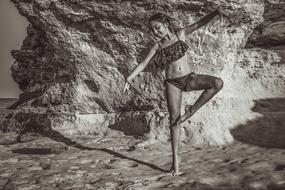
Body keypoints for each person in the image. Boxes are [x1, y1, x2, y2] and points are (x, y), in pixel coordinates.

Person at [124, 9, 225, 176]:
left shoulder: (180, 34)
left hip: (189, 78)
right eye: (152, 29)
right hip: (172, 84)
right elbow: (143, 64)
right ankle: (175, 162)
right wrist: (130, 77)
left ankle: (190, 112)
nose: (155, 31)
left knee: (217, 83)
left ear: (165, 24)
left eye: (157, 27)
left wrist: (215, 13)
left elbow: (200, 23)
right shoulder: (157, 46)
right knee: (174, 120)